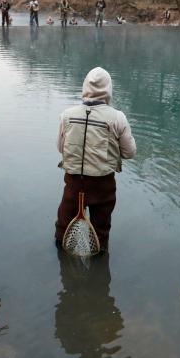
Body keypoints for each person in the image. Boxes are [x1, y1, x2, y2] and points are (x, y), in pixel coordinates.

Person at [54, 67, 136, 251]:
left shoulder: (67, 115)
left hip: (73, 184)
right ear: (108, 89)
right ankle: (99, 263)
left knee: (63, 227)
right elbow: (130, 153)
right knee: (101, 230)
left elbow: (61, 148)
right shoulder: (117, 118)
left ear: (85, 88)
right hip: (103, 186)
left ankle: (60, 262)